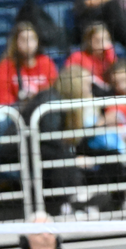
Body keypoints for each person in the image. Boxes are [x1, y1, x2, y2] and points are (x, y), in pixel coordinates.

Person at [20, 66, 93, 215]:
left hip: (40, 147)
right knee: (65, 157)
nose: (89, 89)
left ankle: (80, 200)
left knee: (78, 153)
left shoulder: (65, 101)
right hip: (25, 149)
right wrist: (74, 158)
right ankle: (68, 202)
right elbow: (49, 137)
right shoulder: (51, 99)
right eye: (86, 84)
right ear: (76, 85)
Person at [0, 21, 59, 106]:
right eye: (23, 40)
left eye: (32, 39)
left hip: (43, 109)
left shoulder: (47, 63)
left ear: (37, 41)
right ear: (15, 43)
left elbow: (54, 92)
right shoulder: (6, 66)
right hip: (17, 112)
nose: (28, 44)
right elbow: (2, 98)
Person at [64, 23, 116, 93]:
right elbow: (68, 77)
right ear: (89, 42)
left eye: (107, 39)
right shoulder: (77, 57)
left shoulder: (110, 55)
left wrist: (110, 57)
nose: (103, 44)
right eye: (98, 40)